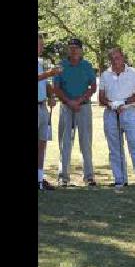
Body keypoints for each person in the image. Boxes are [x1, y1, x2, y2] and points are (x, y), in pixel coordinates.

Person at [98, 48, 135, 189]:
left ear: (122, 57)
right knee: (115, 147)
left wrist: (124, 102)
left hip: (129, 111)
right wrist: (111, 104)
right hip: (111, 113)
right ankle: (120, 179)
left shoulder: (132, 72)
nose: (115, 61)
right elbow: (101, 97)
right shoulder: (105, 74)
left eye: (117, 58)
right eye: (112, 59)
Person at [53, 38, 98, 186]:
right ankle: (63, 177)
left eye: (76, 48)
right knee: (65, 142)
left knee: (86, 142)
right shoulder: (61, 65)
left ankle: (89, 176)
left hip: (83, 107)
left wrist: (79, 100)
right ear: (68, 49)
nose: (73, 50)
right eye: (71, 47)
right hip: (66, 107)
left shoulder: (87, 65)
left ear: (81, 50)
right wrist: (69, 101)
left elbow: (92, 86)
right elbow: (56, 87)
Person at [37, 33, 61, 191]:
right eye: (39, 45)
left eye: (42, 45)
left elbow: (44, 83)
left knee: (42, 143)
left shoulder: (39, 63)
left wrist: (51, 95)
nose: (41, 48)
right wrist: (49, 73)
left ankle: (39, 179)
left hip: (42, 107)